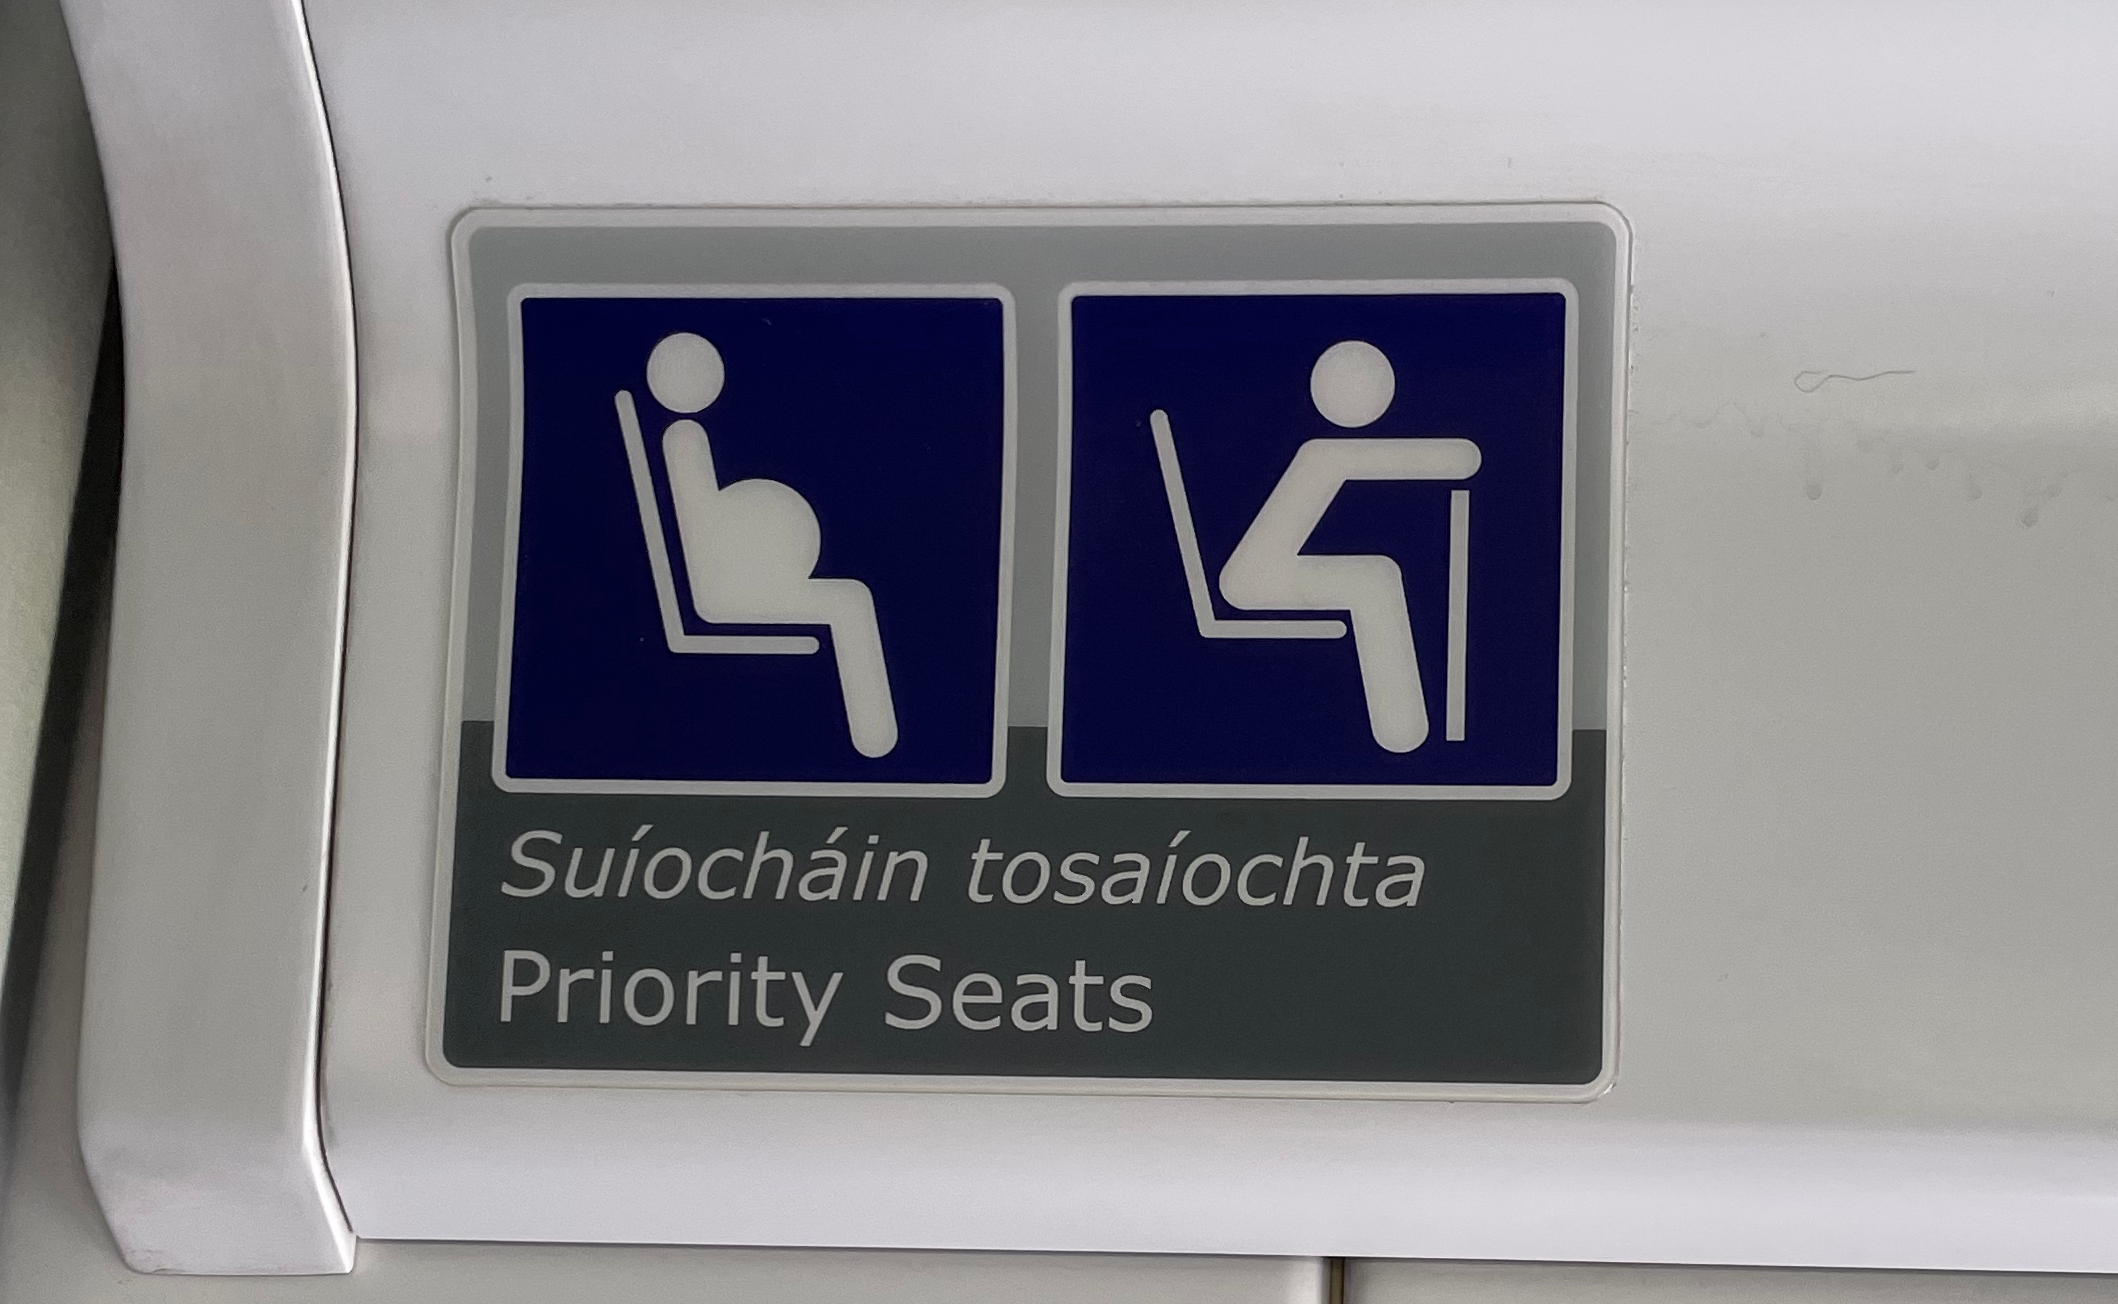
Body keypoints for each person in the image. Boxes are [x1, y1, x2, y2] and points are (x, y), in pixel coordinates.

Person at [639, 331, 898, 759]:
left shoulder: (682, 436)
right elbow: (706, 534)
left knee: (850, 599)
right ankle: (875, 740)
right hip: (731, 590)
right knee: (850, 601)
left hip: (742, 576)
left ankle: (876, 744)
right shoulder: (684, 440)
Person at [1215, 340, 1478, 753]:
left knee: (1374, 577)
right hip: (1256, 578)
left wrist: (1458, 459)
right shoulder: (1321, 456)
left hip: (1260, 576)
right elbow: (1457, 459)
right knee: (1374, 580)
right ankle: (1402, 731)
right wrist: (1457, 457)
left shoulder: (1320, 453)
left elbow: (1454, 460)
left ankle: (1406, 736)